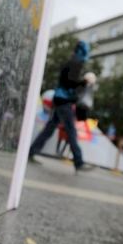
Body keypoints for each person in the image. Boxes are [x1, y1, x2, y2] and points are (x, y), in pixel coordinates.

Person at [29, 41, 95, 173]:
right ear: (83, 51)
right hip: (64, 101)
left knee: (49, 129)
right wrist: (83, 82)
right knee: (71, 131)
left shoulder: (72, 61)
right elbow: (70, 83)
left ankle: (31, 152)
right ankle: (79, 162)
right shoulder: (76, 62)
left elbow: (67, 82)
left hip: (59, 99)